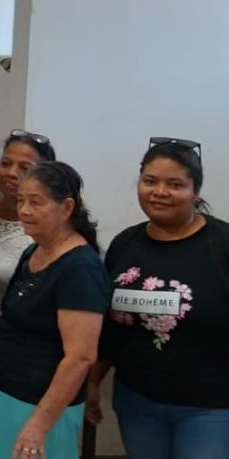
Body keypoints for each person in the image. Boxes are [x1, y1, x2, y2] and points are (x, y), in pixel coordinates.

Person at [87, 139, 229, 459]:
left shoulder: (222, 245)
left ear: (196, 192)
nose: (159, 192)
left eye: (175, 184)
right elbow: (109, 328)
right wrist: (93, 380)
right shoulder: (125, 244)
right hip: (137, 401)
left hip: (210, 409)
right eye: (150, 181)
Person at [0, 162, 109, 459]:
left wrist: (38, 425)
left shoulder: (80, 268)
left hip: (40, 406)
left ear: (66, 208)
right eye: (21, 200)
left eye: (36, 202)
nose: (24, 210)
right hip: (2, 391)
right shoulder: (34, 250)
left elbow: (80, 357)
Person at [0, 129, 56, 326]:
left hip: (9, 336)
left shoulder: (46, 228)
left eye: (24, 168)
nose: (11, 173)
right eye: (5, 164)